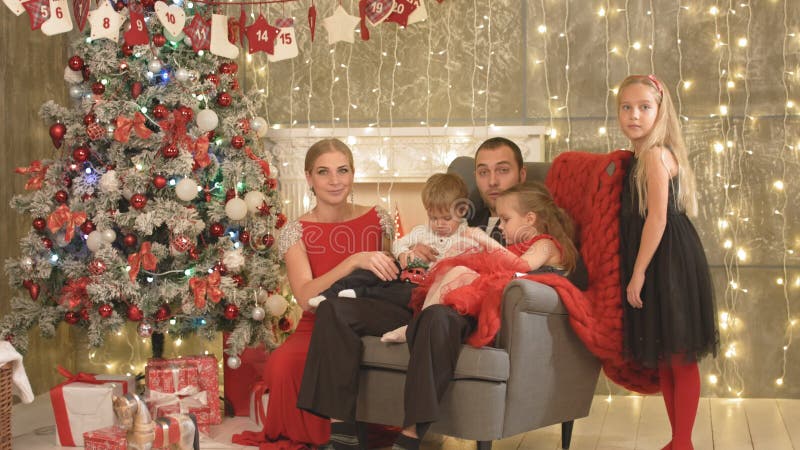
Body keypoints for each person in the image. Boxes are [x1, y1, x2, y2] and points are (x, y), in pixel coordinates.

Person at [298, 182, 580, 450]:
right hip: (417, 291)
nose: (492, 181)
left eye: (501, 171)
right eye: (483, 171)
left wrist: (478, 246)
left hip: (460, 303)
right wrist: (413, 253)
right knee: (334, 308)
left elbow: (523, 269)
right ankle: (342, 434)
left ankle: (409, 437)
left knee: (435, 318)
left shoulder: (514, 237)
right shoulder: (465, 220)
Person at [232, 138, 397, 449]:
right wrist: (351, 261)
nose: (335, 181)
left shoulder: (379, 219)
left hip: (368, 320)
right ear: (309, 177)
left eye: (342, 170)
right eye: (324, 172)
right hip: (317, 326)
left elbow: (390, 281)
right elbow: (306, 298)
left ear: (353, 174)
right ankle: (326, 437)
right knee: (282, 364)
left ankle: (357, 431)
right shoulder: (295, 231)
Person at [617, 74, 718, 450]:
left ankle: (683, 441)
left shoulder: (657, 156)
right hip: (656, 256)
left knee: (679, 355)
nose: (634, 115)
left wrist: (638, 272)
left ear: (660, 112)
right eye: (626, 107)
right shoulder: (638, 157)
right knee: (664, 356)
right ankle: (679, 440)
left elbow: (657, 218)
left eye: (644, 107)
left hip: (668, 259)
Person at [306, 173, 498, 312]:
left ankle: (359, 293)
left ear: (463, 210)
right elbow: (398, 244)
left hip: (423, 286)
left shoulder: (470, 236)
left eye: (446, 219)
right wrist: (405, 254)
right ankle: (330, 293)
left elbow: (480, 263)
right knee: (375, 268)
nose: (439, 224)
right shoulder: (423, 231)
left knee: (404, 295)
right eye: (433, 217)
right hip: (406, 271)